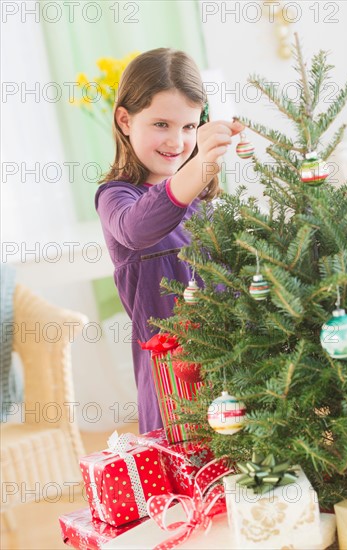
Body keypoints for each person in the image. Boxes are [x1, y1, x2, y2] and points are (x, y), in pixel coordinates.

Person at [95, 48, 243, 433]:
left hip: (232, 370)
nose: (177, 141)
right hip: (173, 388)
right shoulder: (116, 199)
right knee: (188, 484)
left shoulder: (204, 206)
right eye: (161, 124)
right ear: (125, 120)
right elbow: (139, 228)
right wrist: (200, 167)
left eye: (190, 127)